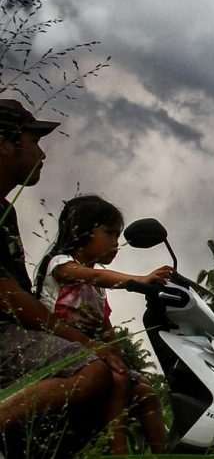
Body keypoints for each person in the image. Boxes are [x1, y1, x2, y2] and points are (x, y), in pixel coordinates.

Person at [0, 98, 128, 455]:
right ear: (4, 144)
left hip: (15, 333)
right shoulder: (63, 264)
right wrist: (82, 341)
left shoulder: (5, 213)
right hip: (3, 333)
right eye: (33, 142)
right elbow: (8, 296)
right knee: (89, 370)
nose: (42, 155)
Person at [34, 194, 172, 453]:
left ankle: (165, 454)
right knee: (118, 381)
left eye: (118, 236)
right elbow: (95, 275)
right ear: (81, 231)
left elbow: (105, 325)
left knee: (147, 394)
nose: (116, 243)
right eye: (109, 233)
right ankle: (116, 450)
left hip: (87, 352)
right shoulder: (61, 264)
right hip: (54, 347)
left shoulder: (97, 291)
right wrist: (139, 280)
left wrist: (119, 355)